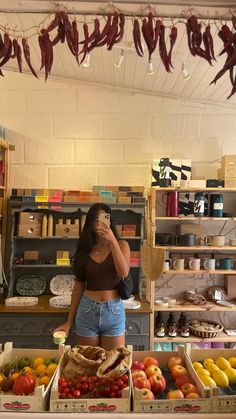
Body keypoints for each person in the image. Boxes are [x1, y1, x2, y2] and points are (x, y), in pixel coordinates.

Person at [54, 203, 130, 350]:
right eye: (95, 219)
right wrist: (68, 322)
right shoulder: (85, 249)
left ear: (110, 221)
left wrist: (112, 240)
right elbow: (79, 285)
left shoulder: (121, 245)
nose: (99, 223)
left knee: (113, 364)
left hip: (114, 311)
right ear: (89, 223)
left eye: (103, 218)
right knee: (87, 364)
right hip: (87, 310)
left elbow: (123, 273)